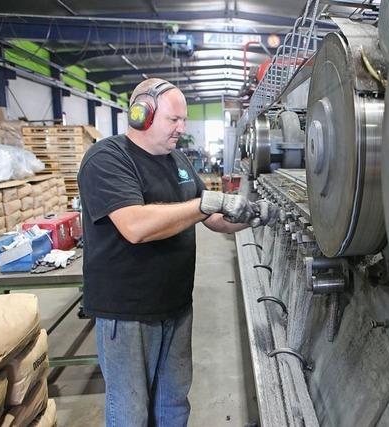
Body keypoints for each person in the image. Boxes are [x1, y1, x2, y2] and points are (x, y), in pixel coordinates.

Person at [78, 78, 278, 427]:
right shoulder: (108, 159)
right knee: (130, 412)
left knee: (173, 405)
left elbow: (213, 218)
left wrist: (256, 216)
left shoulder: (179, 162)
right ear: (142, 114)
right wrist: (204, 204)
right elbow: (135, 226)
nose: (182, 129)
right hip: (126, 314)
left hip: (176, 306)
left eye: (183, 120)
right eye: (174, 120)